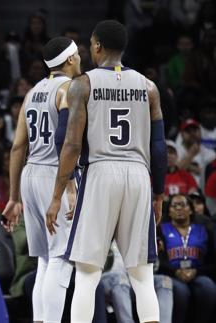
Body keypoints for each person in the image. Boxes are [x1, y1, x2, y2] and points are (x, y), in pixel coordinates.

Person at [45, 20, 167, 323]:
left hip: (100, 172)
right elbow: (160, 148)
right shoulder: (148, 87)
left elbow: (71, 144)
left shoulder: (82, 84)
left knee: (87, 274)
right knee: (142, 277)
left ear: (97, 46)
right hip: (139, 174)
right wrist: (160, 193)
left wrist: (59, 193)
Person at [2, 36, 81, 322]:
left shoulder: (33, 91)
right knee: (61, 257)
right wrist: (69, 186)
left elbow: (16, 147)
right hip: (53, 173)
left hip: (30, 174)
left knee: (46, 259)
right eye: (78, 55)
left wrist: (13, 197)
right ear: (70, 59)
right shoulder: (68, 89)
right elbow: (65, 143)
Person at [157, 194, 216, 323]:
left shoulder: (204, 229)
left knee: (208, 287)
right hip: (172, 274)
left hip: (198, 273)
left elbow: (212, 261)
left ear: (190, 209)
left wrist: (196, 271)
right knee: (181, 292)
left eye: (182, 205)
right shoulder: (161, 230)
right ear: (169, 212)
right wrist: (175, 272)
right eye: (174, 205)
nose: (178, 208)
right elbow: (159, 261)